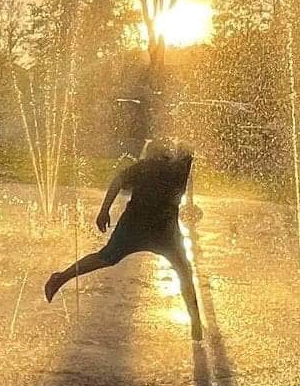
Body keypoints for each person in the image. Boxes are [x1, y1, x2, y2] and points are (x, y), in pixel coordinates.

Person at [44, 138, 200, 333]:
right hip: (151, 229)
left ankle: (60, 277)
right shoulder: (175, 168)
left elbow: (118, 181)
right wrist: (104, 210)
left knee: (106, 258)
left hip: (146, 228)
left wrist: (104, 210)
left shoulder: (150, 167)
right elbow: (187, 149)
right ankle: (196, 325)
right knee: (183, 271)